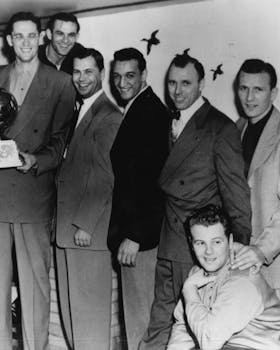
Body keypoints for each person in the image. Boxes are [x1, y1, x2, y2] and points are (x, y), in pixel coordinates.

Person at [0, 11, 75, 350]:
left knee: (34, 290)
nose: (26, 43)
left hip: (33, 194)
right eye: (19, 37)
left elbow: (60, 142)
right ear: (8, 41)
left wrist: (34, 159)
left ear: (42, 38)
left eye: (32, 36)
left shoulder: (60, 83)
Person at [139, 53, 252, 350]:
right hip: (168, 241)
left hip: (197, 248)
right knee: (161, 322)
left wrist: (237, 248)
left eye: (186, 83)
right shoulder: (167, 121)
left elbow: (236, 194)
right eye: (172, 83)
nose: (177, 91)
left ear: (201, 84)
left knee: (193, 333)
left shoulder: (220, 127)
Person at [55, 48, 122, 350]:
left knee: (90, 322)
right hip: (68, 232)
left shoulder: (109, 116)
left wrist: (85, 223)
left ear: (101, 74)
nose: (81, 79)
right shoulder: (80, 110)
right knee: (73, 320)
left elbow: (105, 176)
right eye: (77, 72)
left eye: (88, 72)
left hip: (87, 232)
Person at [108, 47, 171, 350]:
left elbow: (151, 181)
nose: (122, 83)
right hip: (137, 235)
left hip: (141, 239)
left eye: (130, 75)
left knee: (141, 319)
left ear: (144, 75)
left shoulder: (150, 112)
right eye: (117, 76)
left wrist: (134, 235)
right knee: (138, 318)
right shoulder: (138, 108)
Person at [168, 204, 280, 350]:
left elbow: (210, 342)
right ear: (191, 244)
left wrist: (189, 290)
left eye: (217, 242)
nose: (209, 252)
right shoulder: (197, 273)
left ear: (230, 241)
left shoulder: (242, 278)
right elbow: (183, 326)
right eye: (200, 243)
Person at [231, 59, 280, 298]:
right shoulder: (234, 129)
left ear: (273, 93)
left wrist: (262, 250)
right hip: (237, 262)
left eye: (258, 89)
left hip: (273, 268)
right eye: (243, 88)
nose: (249, 97)